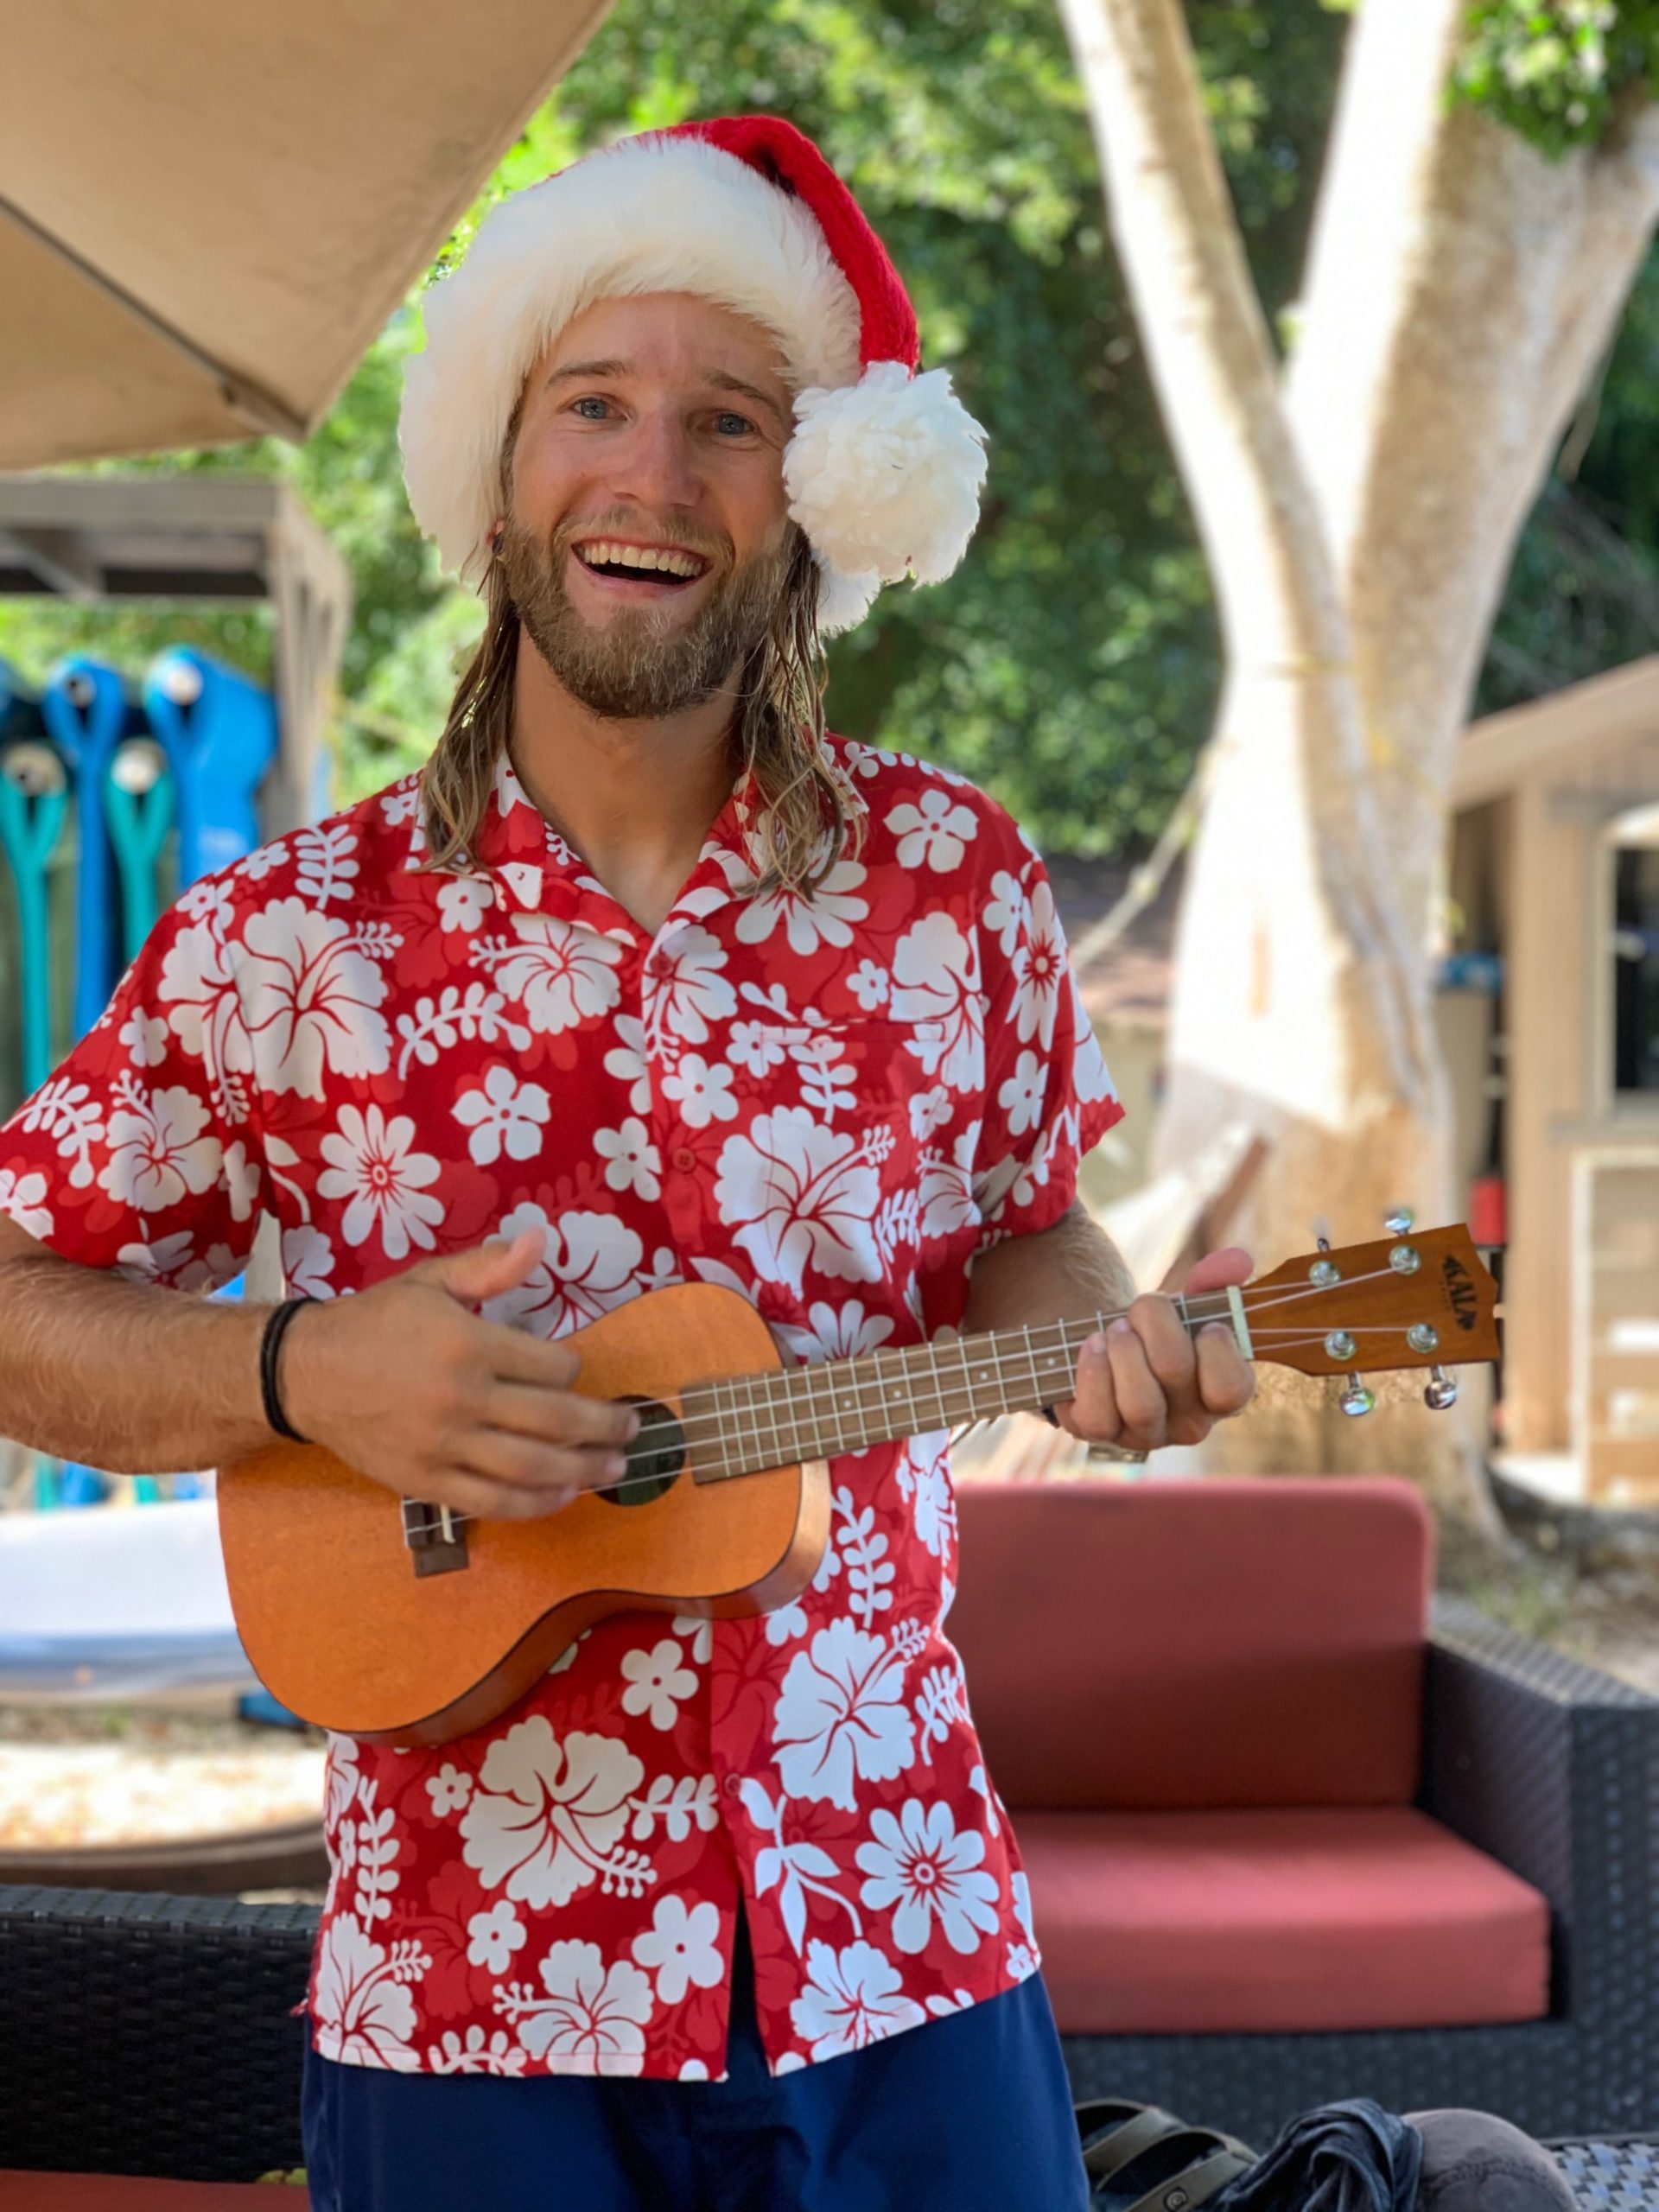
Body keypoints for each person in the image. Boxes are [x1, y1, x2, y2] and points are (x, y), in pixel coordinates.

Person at [0, 117, 1259, 2209]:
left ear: (812, 496)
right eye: (593, 402)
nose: (653, 475)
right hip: (470, 1976)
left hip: (902, 1920)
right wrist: (303, 1373)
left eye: (730, 420)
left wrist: (1103, 1344)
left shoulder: (960, 883)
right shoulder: (286, 939)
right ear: (498, 468)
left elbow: (1033, 1237)